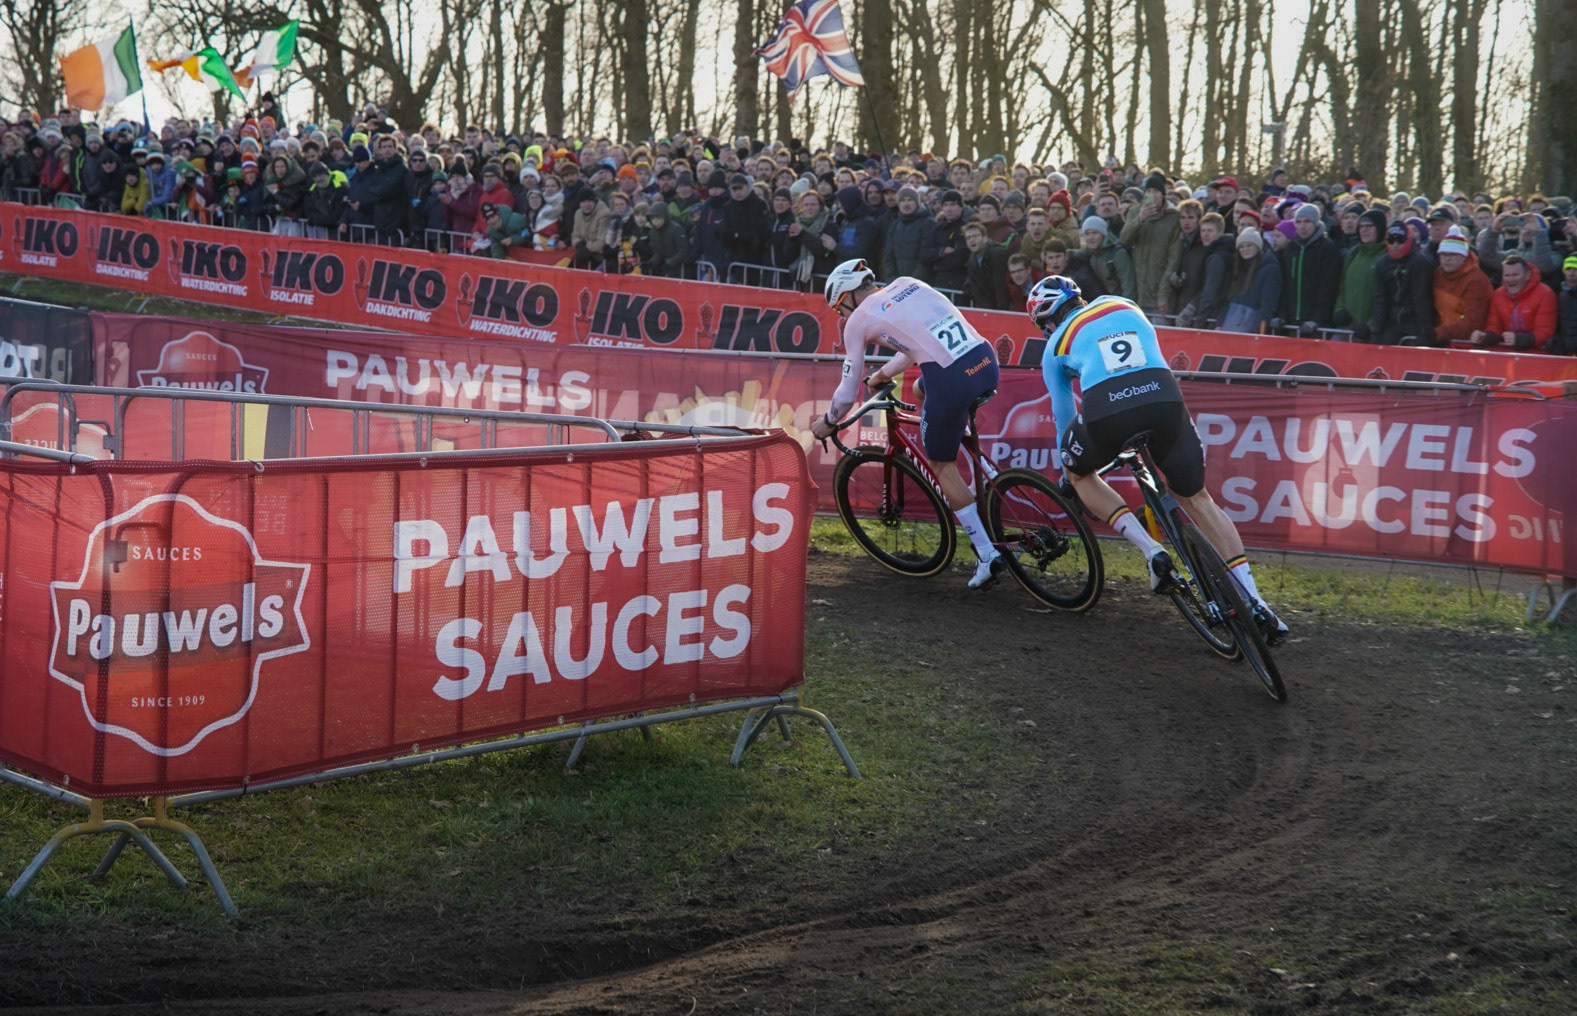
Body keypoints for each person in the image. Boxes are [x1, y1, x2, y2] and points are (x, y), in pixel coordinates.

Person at [1024, 275, 1287, 642]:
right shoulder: (1122, 302)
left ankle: (1152, 551)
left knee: (1080, 474)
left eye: (1043, 325)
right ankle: (1257, 603)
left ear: (1048, 318)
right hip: (1164, 398)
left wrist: (1068, 471)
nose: (1046, 331)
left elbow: (1063, 412)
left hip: (1108, 411)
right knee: (1198, 499)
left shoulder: (1055, 344)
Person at [808, 260, 1004, 588]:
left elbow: (847, 392)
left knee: (941, 466)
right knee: (920, 390)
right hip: (985, 361)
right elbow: (915, 345)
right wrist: (883, 374)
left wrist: (828, 421)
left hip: (953, 379)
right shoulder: (908, 283)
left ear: (846, 297)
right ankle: (984, 469)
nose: (842, 316)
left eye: (839, 309)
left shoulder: (857, 321)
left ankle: (987, 555)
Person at [1471, 254, 1558, 351]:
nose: (1510, 279)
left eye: (1515, 275)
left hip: (1538, 352)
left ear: (1527, 275)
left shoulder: (1545, 294)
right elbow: (1494, 326)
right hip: (1507, 352)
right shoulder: (1498, 295)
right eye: (1507, 275)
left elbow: (1545, 332)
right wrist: (1485, 337)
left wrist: (1519, 340)